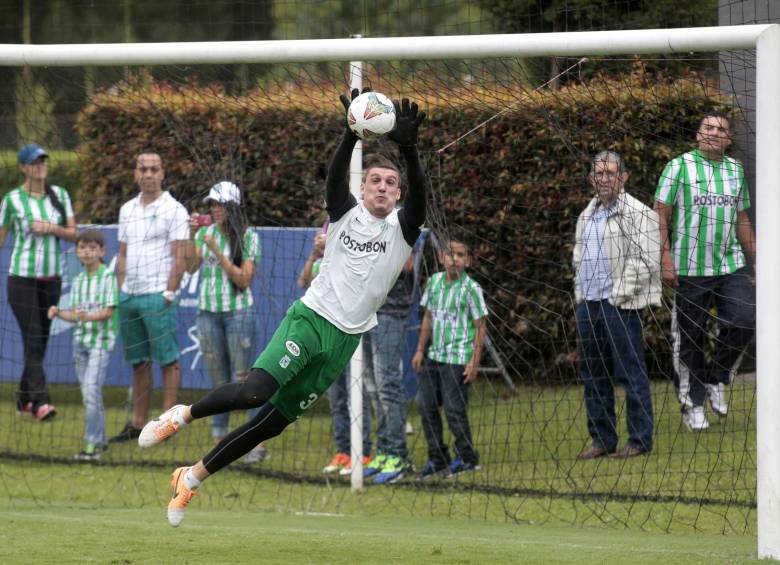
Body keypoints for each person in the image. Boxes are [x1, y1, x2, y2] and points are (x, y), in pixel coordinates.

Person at [138, 90, 427, 527]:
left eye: (390, 183)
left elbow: (421, 200)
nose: (383, 187)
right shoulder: (344, 213)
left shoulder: (402, 229)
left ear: (398, 192)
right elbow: (334, 178)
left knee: (272, 423)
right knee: (255, 391)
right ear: (362, 187)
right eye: (375, 181)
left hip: (344, 340)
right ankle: (181, 414)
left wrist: (409, 148)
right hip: (310, 319)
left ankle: (190, 478)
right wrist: (350, 135)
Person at [655, 111, 756, 431]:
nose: (714, 133)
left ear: (728, 139)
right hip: (689, 268)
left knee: (745, 319)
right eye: (708, 127)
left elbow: (742, 220)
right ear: (698, 134)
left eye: (721, 129)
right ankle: (693, 404)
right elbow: (660, 215)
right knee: (690, 337)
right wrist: (665, 258)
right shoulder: (678, 166)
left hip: (730, 265)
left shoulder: (734, 169)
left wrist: (760, 263)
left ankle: (717, 377)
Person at [573, 151, 660, 460]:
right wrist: (581, 295)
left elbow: (646, 260)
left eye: (610, 173)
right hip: (589, 304)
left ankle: (639, 440)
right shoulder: (586, 214)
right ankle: (602, 439)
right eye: (599, 173)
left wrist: (618, 296)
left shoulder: (639, 212)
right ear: (591, 178)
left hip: (618, 305)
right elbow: (579, 258)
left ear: (624, 177)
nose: (604, 178)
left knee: (629, 372)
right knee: (593, 374)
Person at [109, 151, 189, 443]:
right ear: (135, 173)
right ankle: (137, 423)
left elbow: (180, 254)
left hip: (158, 295)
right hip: (130, 296)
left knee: (168, 361)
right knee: (139, 362)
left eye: (154, 169)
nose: (148, 174)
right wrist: (121, 290)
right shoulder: (126, 209)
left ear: (163, 173)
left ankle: (167, 424)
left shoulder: (175, 209)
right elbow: (122, 253)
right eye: (143, 168)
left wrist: (169, 292)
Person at [186, 181, 268, 464]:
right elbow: (189, 266)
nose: (215, 209)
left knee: (247, 379)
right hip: (207, 314)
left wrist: (218, 253)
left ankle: (254, 443)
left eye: (220, 204)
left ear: (234, 207)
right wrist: (191, 235)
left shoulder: (248, 237)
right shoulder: (204, 234)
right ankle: (219, 440)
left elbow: (244, 280)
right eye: (212, 204)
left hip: (238, 314)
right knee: (218, 381)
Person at [0, 143, 77, 421]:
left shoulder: (60, 195)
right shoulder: (11, 200)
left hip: (52, 279)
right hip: (21, 279)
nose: (40, 166)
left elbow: (73, 233)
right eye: (34, 162)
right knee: (33, 338)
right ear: (23, 167)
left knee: (40, 341)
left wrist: (50, 228)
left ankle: (23, 399)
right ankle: (42, 402)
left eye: (43, 160)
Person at [298, 226, 373, 476]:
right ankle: (342, 451)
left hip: (349, 333)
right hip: (325, 335)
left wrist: (331, 249)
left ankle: (362, 452)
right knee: (337, 395)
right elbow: (303, 282)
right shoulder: (321, 257)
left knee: (356, 394)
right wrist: (314, 254)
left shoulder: (350, 244)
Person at [412, 237, 487, 478]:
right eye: (450, 254)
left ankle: (467, 458)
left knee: (454, 409)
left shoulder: (472, 289)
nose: (454, 259)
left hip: (457, 358)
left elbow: (480, 326)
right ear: (441, 258)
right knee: (426, 406)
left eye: (461, 255)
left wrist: (474, 360)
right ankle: (438, 458)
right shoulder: (433, 283)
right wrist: (420, 350)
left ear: (469, 261)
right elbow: (428, 318)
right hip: (433, 356)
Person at [48, 229, 117, 460]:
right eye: (82, 248)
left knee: (90, 391)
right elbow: (75, 315)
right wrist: (58, 312)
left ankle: (92, 445)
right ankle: (103, 440)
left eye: (92, 248)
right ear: (77, 252)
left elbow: (108, 312)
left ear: (102, 251)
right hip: (80, 343)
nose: (87, 252)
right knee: (90, 393)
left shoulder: (108, 276)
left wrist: (85, 316)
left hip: (101, 343)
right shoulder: (77, 281)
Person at [361, 254, 415, 484]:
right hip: (364, 311)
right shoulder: (360, 222)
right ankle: (384, 450)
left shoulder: (397, 221)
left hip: (390, 314)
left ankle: (398, 455)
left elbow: (407, 264)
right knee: (372, 387)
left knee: (388, 385)